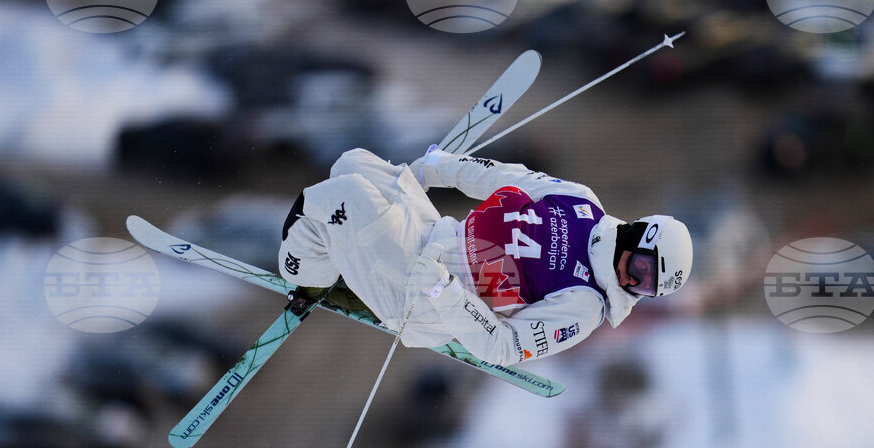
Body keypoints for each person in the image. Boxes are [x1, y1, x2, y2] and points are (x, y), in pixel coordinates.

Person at [278, 147, 693, 366]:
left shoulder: (585, 305)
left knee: (343, 196)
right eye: (641, 269)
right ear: (638, 233)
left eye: (647, 288)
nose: (634, 285)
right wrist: (438, 169)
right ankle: (345, 263)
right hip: (435, 234)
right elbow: (502, 176)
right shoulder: (580, 201)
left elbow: (505, 348)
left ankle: (309, 279)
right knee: (352, 163)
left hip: (420, 295)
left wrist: (445, 292)